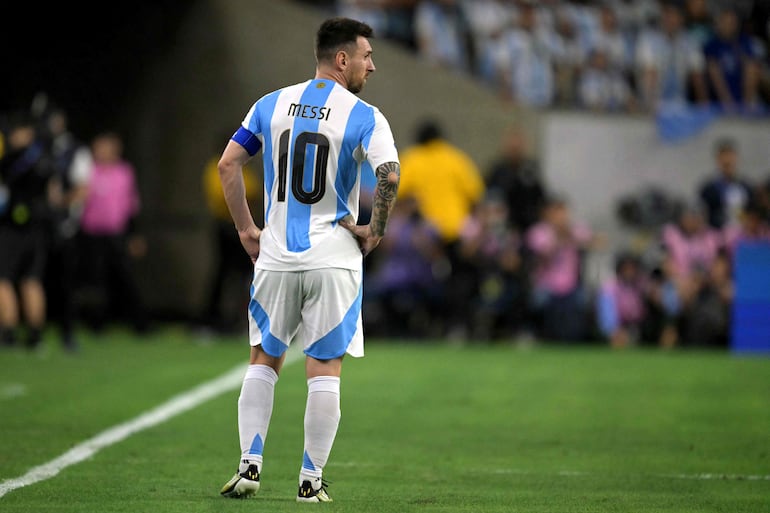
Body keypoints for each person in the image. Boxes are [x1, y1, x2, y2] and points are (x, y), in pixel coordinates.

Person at [217, 17, 400, 503]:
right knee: (324, 367)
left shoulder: (270, 104)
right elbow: (390, 174)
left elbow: (228, 163)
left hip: (275, 255)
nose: (372, 66)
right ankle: (309, 480)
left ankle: (249, 465)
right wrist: (375, 230)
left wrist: (245, 228)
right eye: (366, 56)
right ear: (342, 60)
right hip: (335, 257)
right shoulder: (364, 115)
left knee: (263, 359)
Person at [397, 118, 485, 338]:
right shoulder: (456, 158)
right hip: (456, 233)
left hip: (426, 234)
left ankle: (425, 326)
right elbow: (476, 195)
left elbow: (396, 193)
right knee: (457, 282)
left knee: (424, 281)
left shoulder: (413, 158)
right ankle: (456, 327)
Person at [78, 131, 148, 334]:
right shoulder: (88, 171)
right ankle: (96, 323)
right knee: (95, 280)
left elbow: (131, 205)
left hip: (117, 233)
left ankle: (139, 323)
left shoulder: (124, 172)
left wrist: (135, 235)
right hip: (92, 233)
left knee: (125, 277)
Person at [0, 113, 55, 350]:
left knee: (5, 279)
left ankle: (9, 332)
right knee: (30, 280)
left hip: (16, 226)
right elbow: (54, 195)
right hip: (39, 226)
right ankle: (34, 336)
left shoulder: (14, 159)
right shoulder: (45, 158)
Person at [200, 131, 262, 334]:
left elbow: (255, 191)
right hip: (226, 227)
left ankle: (242, 319)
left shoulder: (244, 170)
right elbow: (224, 196)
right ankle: (213, 320)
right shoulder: (218, 166)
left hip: (245, 224)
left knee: (247, 275)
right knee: (224, 273)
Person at [698, 136, 754, 230]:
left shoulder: (747, 188)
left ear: (736, 158)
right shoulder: (708, 190)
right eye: (724, 157)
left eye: (730, 157)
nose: (727, 160)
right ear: (718, 159)